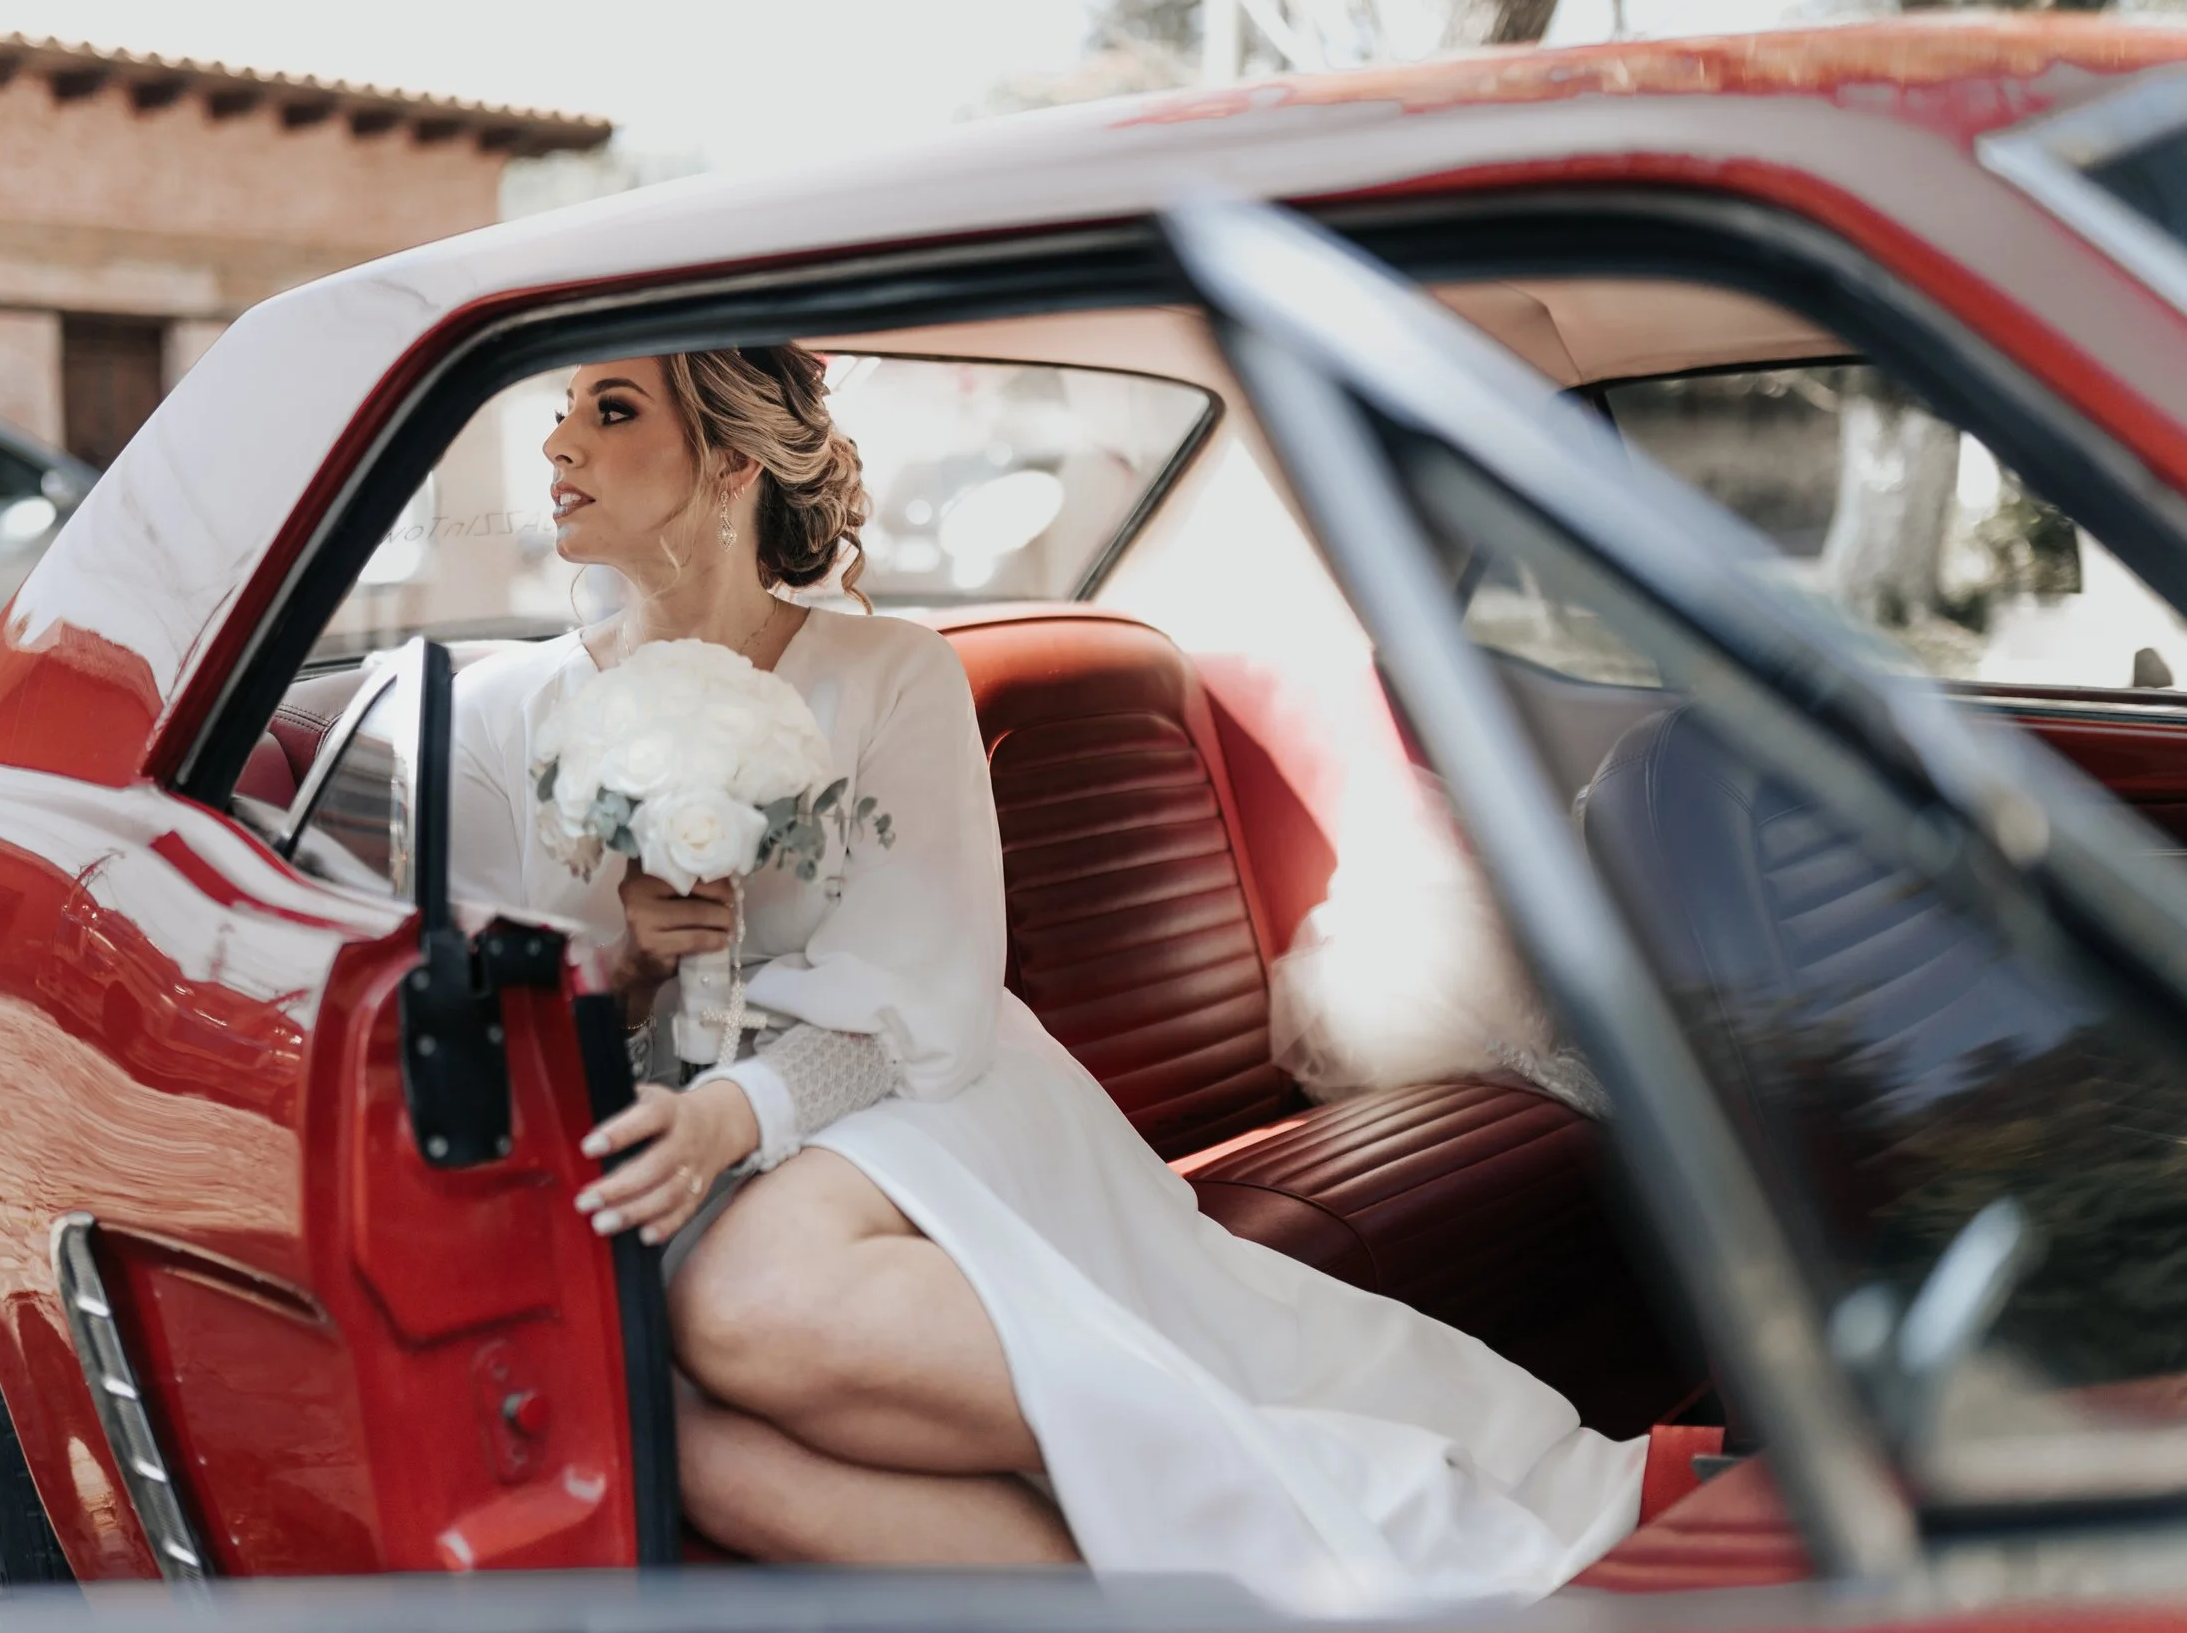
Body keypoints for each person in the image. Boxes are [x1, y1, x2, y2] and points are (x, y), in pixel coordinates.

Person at [448, 344, 1645, 1615]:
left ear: (734, 459)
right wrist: (634, 962)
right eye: (560, 409)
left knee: (753, 1305)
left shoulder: (890, 675)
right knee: (689, 1450)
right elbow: (496, 1015)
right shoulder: (491, 712)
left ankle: (1369, 1526)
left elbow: (929, 990)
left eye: (610, 409)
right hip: (644, 1138)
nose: (556, 445)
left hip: (908, 1085)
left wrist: (736, 1113)